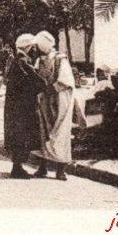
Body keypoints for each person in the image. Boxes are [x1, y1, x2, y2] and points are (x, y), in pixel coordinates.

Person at [31, 31, 84, 180]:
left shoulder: (60, 60)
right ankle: (43, 168)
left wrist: (50, 89)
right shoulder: (39, 60)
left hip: (60, 102)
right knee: (44, 134)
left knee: (60, 135)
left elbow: (66, 82)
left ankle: (60, 170)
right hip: (45, 102)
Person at [3, 34, 45, 179]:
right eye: (33, 47)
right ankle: (18, 168)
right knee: (22, 135)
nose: (35, 50)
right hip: (22, 107)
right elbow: (36, 81)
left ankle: (18, 167)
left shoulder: (17, 60)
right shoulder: (22, 61)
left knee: (18, 136)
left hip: (17, 106)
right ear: (28, 47)